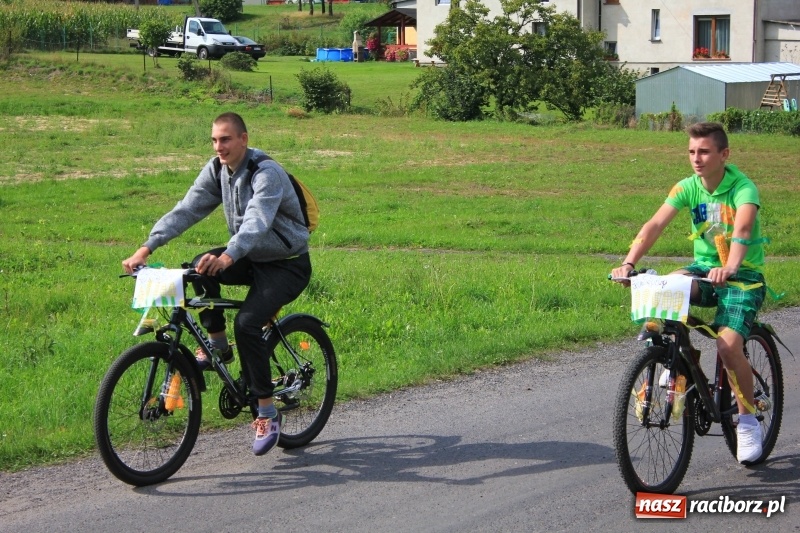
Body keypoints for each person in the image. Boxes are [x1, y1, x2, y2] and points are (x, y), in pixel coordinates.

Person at [122, 112, 312, 457]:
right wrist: (147, 247)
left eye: (225, 139)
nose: (219, 147)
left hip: (286, 264)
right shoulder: (216, 170)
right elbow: (187, 209)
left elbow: (257, 222)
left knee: (248, 323)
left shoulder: (265, 173)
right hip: (251, 257)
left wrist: (228, 256)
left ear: (243, 139)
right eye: (214, 140)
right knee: (197, 269)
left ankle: (267, 413)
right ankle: (217, 347)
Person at [611, 122, 768, 465]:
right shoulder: (687, 187)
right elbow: (654, 225)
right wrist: (628, 263)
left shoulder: (743, 189)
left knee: (727, 345)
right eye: (692, 152)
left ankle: (747, 419)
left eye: (705, 152)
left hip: (743, 276)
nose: (696, 159)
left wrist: (731, 266)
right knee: (666, 285)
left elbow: (741, 229)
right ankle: (681, 362)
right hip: (704, 269)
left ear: (724, 154)